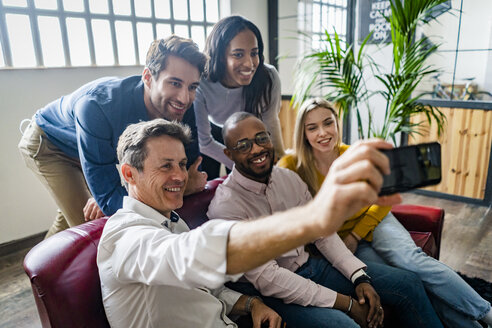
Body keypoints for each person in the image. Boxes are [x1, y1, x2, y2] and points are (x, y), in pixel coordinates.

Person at [97, 118, 399, 328]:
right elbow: (191, 255)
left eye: (181, 165)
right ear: (128, 174)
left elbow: (207, 290)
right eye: (165, 166)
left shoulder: (172, 222)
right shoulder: (124, 237)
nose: (179, 176)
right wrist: (313, 217)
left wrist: (250, 304)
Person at [207, 112, 443, 328]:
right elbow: (269, 279)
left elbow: (323, 234)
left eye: (261, 138)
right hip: (272, 293)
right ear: (229, 154)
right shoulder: (226, 206)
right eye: (243, 145)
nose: (257, 149)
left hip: (313, 266)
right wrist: (347, 304)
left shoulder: (288, 179)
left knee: (408, 283)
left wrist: (359, 277)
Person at [277, 97, 492, 328]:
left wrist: (356, 234)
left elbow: (383, 198)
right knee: (410, 280)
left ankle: (486, 312)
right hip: (338, 241)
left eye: (328, 123)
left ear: (337, 124)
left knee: (409, 260)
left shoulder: (354, 154)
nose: (323, 132)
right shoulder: (290, 166)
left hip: (375, 219)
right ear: (303, 133)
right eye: (313, 127)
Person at [18, 35, 208, 238]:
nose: (185, 98)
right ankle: (42, 266)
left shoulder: (179, 105)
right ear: (148, 78)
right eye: (175, 83)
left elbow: (191, 167)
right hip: (50, 144)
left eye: (192, 87)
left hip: (91, 148)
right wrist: (105, 194)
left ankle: (43, 266)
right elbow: (110, 198)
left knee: (72, 218)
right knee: (91, 229)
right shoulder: (98, 107)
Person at [194, 15, 285, 179]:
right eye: (238, 54)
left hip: (246, 132)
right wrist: (244, 166)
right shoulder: (201, 80)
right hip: (212, 130)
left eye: (254, 53)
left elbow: (270, 121)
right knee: (209, 176)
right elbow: (205, 142)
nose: (249, 64)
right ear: (221, 56)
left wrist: (280, 161)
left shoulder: (269, 77)